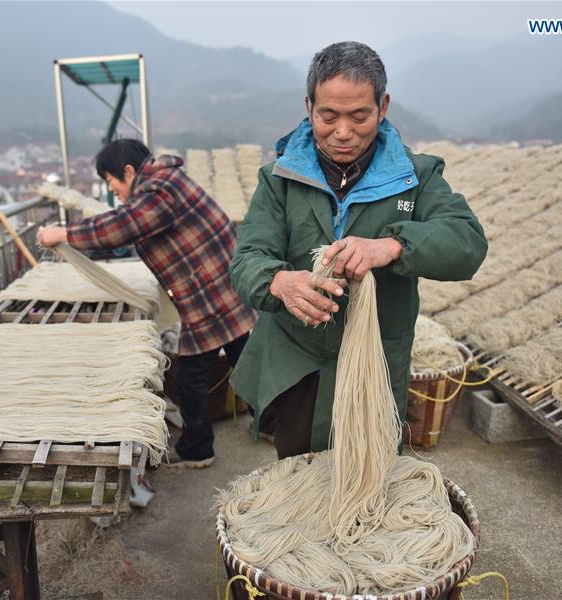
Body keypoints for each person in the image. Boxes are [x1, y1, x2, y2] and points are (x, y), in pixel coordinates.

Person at [229, 42, 488, 459]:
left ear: (382, 107)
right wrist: (278, 281)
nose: (343, 132)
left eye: (359, 116)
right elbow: (247, 260)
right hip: (302, 363)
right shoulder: (278, 179)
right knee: (301, 475)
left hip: (377, 365)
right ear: (309, 106)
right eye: (328, 116)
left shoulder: (415, 176)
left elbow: (467, 242)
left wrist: (392, 245)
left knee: (371, 474)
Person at [38, 139, 256, 468]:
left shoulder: (159, 190)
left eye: (111, 181)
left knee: (191, 376)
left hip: (209, 294)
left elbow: (123, 226)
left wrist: (65, 234)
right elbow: (129, 222)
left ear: (128, 171)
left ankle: (198, 449)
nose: (113, 190)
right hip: (223, 286)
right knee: (246, 360)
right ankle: (272, 424)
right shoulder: (164, 183)